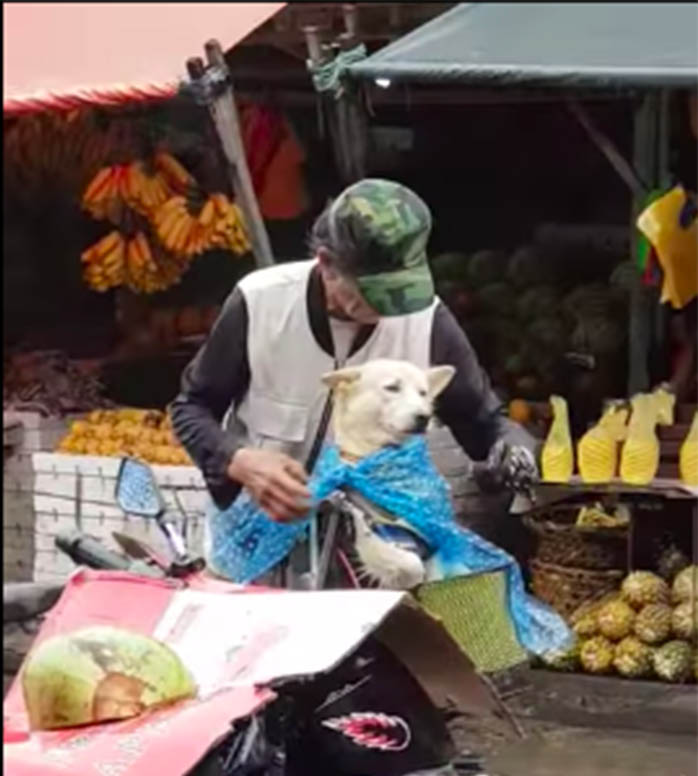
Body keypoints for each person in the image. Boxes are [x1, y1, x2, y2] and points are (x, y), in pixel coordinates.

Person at [171, 179, 538, 523]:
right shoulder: (261, 303)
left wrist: (512, 446)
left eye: (402, 288)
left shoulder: (427, 320)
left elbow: (485, 421)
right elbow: (192, 408)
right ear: (327, 264)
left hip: (376, 549)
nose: (392, 306)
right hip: (257, 539)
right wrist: (240, 461)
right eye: (374, 292)